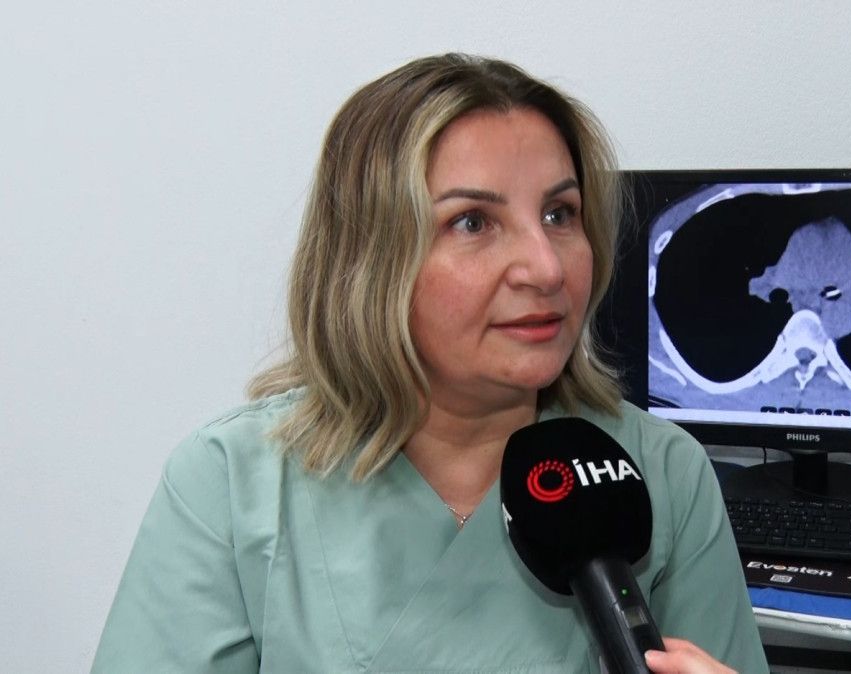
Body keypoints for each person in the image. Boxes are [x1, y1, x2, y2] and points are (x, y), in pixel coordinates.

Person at [91, 53, 769, 674]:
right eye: (472, 222)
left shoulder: (664, 474)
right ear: (370, 260)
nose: (545, 267)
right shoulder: (230, 482)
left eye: (560, 214)